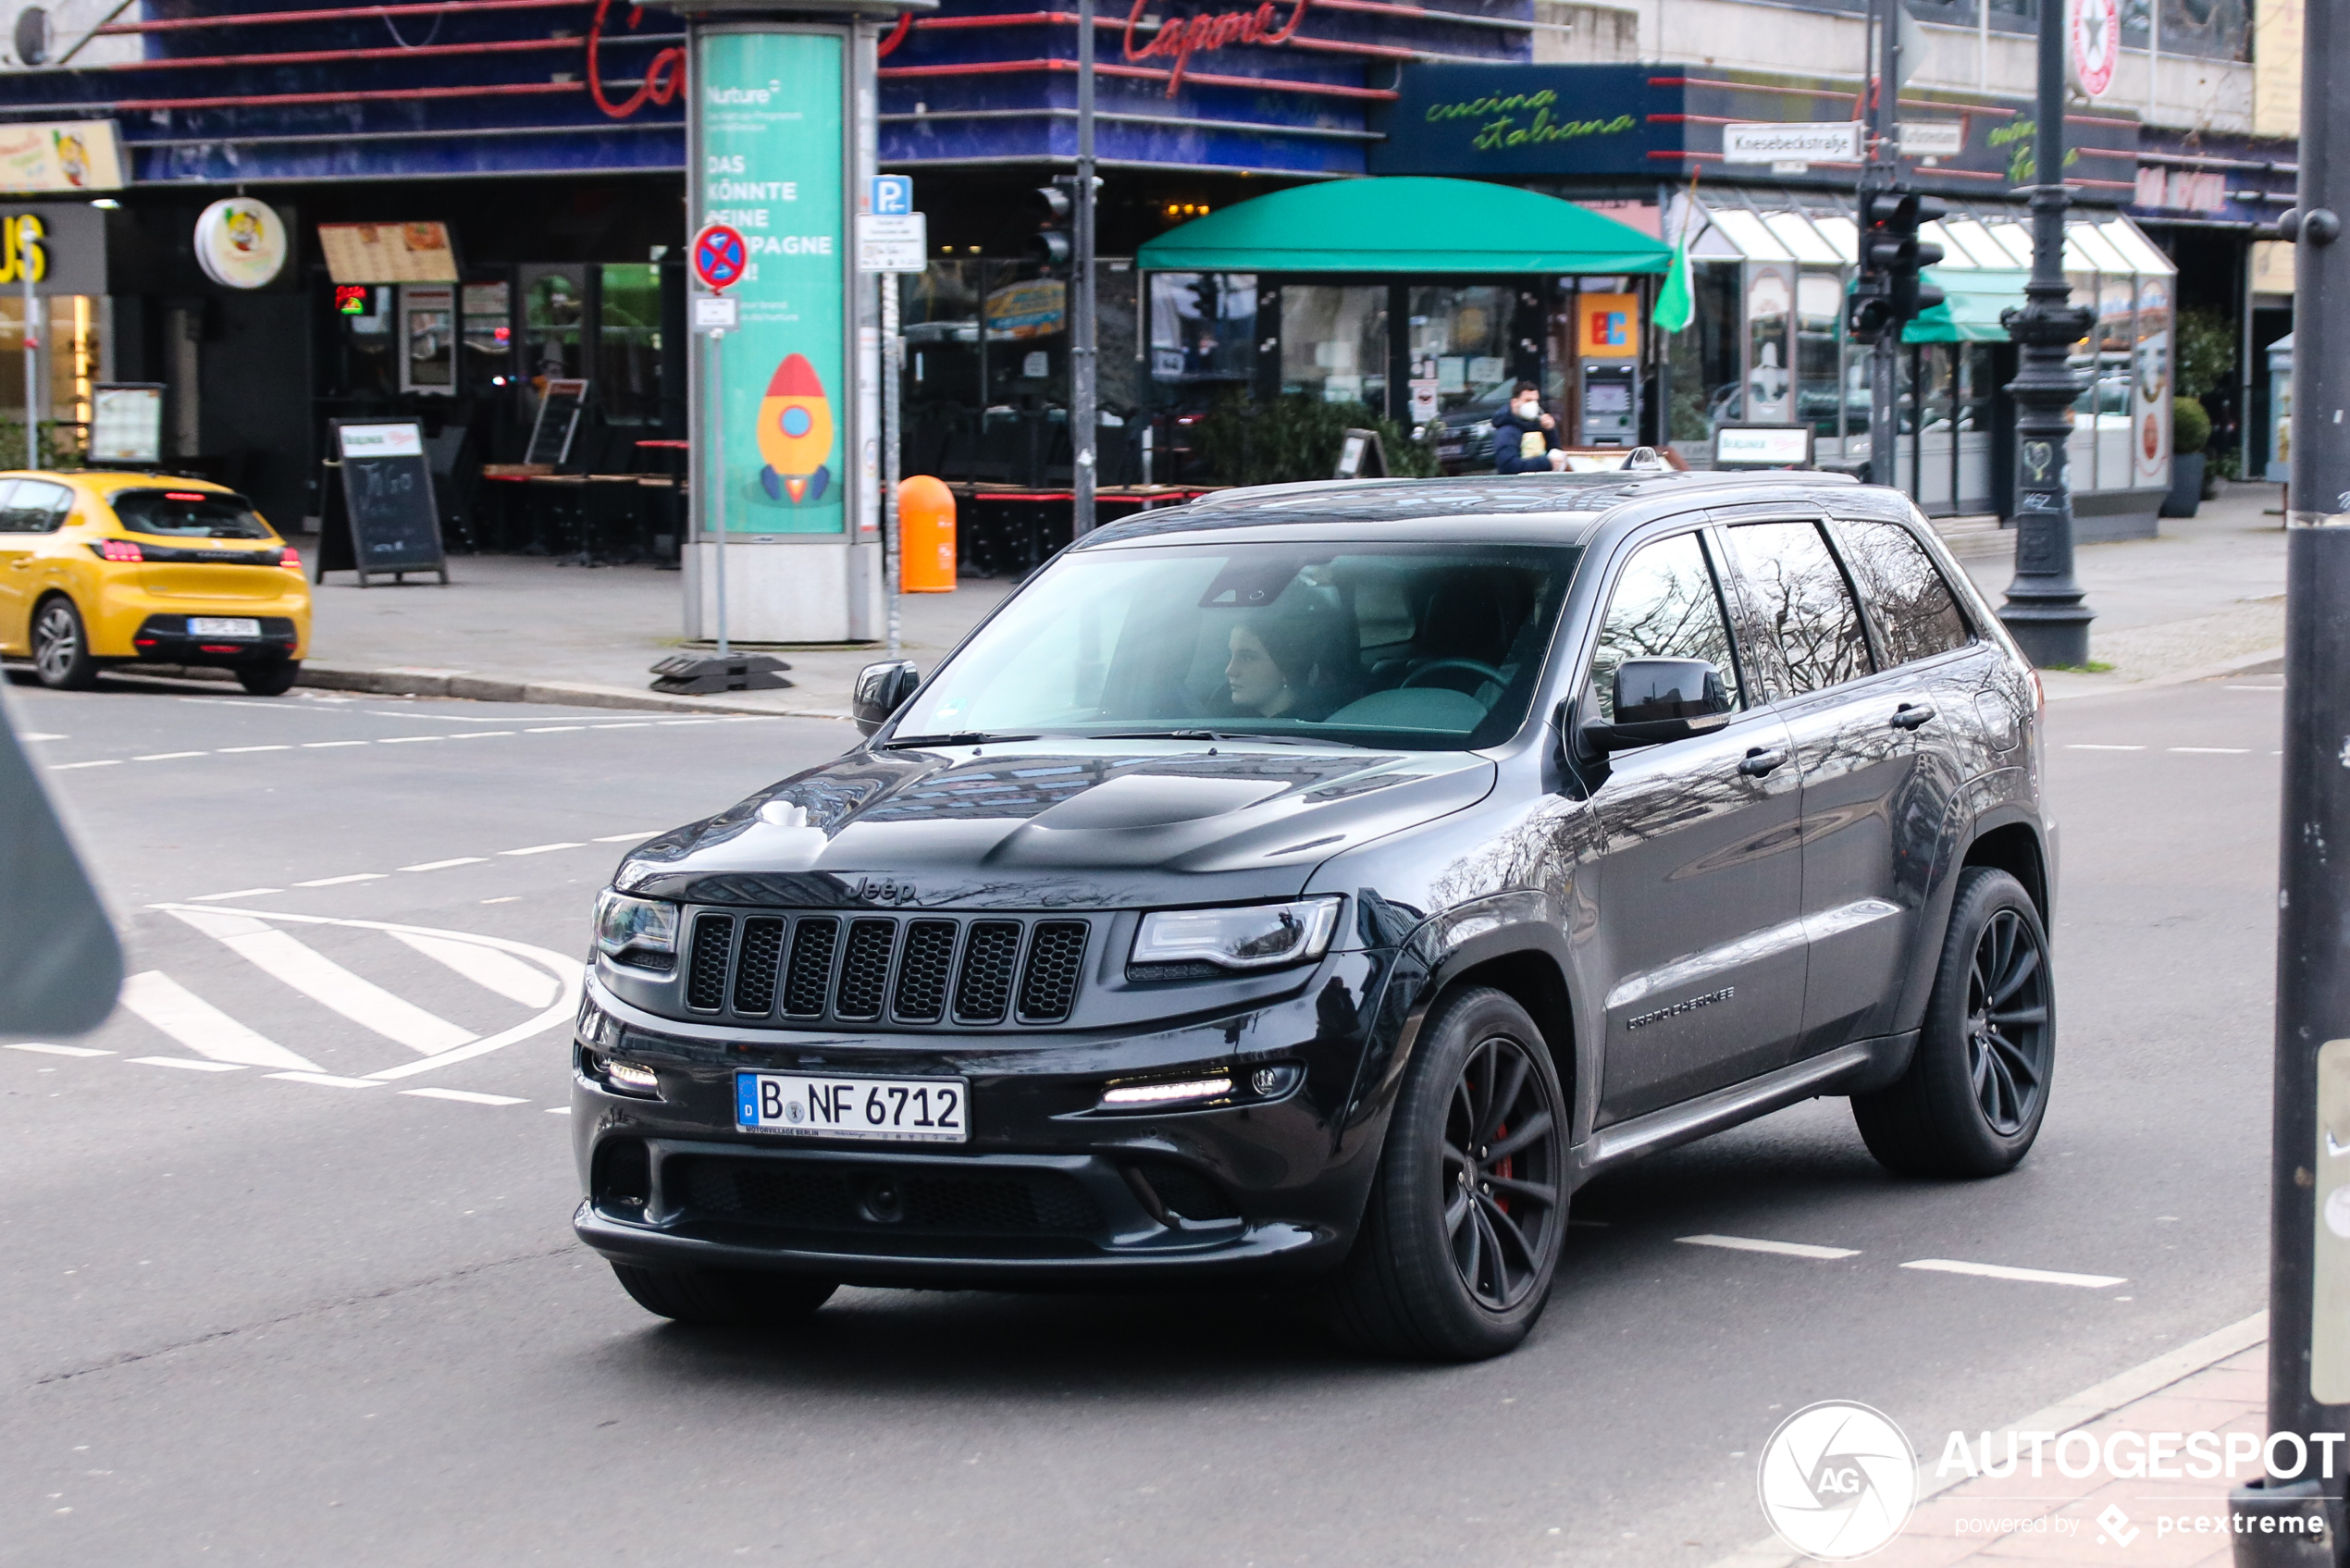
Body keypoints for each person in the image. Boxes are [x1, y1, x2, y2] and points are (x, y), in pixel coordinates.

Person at [1224, 616, 1342, 721]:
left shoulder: (1325, 728)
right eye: (1231, 656)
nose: (1229, 671)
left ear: (1287, 668)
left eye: (1247, 658)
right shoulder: (1219, 719)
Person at [1491, 380, 1569, 474]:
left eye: (1536, 401)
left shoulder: (1537, 425)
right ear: (1514, 403)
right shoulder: (1507, 431)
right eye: (1528, 400)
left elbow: (1554, 450)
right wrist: (1546, 463)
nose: (1533, 405)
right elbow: (1508, 466)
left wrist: (1550, 431)